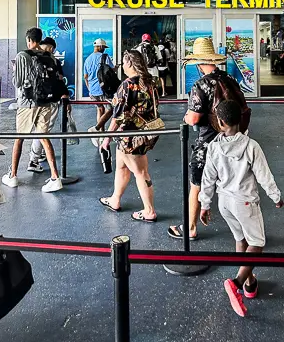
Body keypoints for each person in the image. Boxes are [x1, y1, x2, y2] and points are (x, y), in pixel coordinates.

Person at [199, 100, 284, 317]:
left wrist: (205, 204)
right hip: (245, 202)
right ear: (241, 119)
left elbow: (208, 178)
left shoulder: (214, 147)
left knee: (241, 240)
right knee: (257, 243)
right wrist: (276, 196)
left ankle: (250, 283)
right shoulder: (251, 146)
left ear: (220, 122)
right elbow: (264, 174)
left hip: (224, 202)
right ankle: (236, 283)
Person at [168, 37, 249, 241]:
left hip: (208, 144)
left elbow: (194, 117)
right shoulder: (229, 80)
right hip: (233, 141)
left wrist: (186, 116)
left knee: (197, 184)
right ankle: (245, 228)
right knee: (233, 185)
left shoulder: (201, 84)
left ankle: (190, 228)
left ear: (198, 62)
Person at [99, 50, 160, 222]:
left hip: (130, 136)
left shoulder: (127, 85)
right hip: (145, 132)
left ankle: (149, 211)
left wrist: (107, 138)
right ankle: (115, 199)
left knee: (141, 172)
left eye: (124, 62)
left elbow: (118, 116)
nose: (122, 66)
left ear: (130, 64)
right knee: (121, 166)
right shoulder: (150, 82)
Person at [2, 27, 63, 192]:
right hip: (46, 102)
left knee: (19, 138)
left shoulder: (23, 55)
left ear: (28, 39)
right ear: (40, 39)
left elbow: (17, 83)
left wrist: (16, 70)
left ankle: (13, 176)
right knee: (44, 138)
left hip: (27, 103)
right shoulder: (49, 56)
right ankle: (55, 178)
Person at [28, 37, 69, 172]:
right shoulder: (53, 61)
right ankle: (34, 160)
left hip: (35, 100)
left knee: (39, 130)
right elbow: (60, 79)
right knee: (42, 131)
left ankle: (37, 156)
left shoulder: (32, 58)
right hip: (50, 101)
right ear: (51, 47)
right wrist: (64, 95)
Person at [84, 38, 114, 147]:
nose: (104, 50)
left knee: (100, 109)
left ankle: (101, 134)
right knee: (111, 108)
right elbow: (111, 70)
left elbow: (85, 77)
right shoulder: (104, 57)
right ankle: (96, 129)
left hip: (93, 90)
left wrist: (89, 89)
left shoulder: (87, 59)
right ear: (100, 47)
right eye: (104, 48)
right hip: (103, 89)